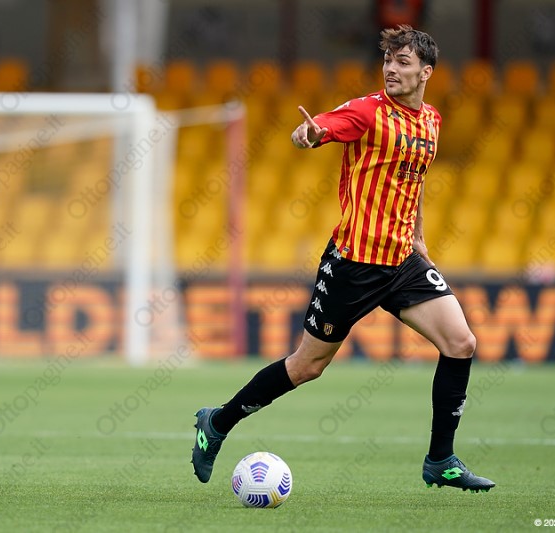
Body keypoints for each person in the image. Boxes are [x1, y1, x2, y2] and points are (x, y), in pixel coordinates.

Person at [191, 25, 495, 493]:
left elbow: (413, 180)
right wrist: (308, 135)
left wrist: (419, 236)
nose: (391, 69)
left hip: (402, 259)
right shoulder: (368, 112)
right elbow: (319, 129)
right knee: (307, 366)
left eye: (403, 62)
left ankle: (441, 460)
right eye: (388, 60)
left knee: (461, 343)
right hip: (354, 263)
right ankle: (217, 423)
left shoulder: (432, 120)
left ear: (426, 72)